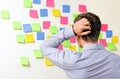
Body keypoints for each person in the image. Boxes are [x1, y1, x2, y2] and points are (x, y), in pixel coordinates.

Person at [40, 12, 120, 79]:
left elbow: (45, 47)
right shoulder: (117, 60)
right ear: (98, 33)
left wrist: (72, 30)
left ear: (78, 35)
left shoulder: (72, 60)